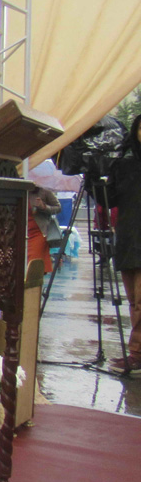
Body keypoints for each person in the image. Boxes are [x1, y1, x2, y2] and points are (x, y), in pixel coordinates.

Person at [107, 113, 141, 374]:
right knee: (134, 301)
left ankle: (137, 354)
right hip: (129, 239)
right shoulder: (124, 164)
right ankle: (136, 353)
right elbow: (109, 200)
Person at [28, 183, 61, 275]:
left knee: (34, 264)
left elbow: (58, 208)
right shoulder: (20, 189)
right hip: (22, 232)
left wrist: (43, 207)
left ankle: (35, 287)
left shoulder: (44, 190)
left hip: (38, 233)